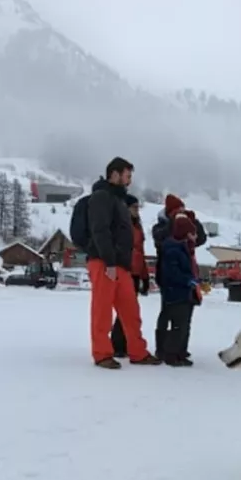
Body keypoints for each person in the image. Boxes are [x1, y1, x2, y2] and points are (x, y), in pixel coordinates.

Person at [85, 158, 159, 369]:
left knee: (131, 311)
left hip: (120, 265)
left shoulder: (118, 199)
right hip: (104, 262)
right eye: (127, 175)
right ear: (115, 174)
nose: (129, 180)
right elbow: (100, 230)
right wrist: (108, 260)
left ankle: (138, 352)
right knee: (102, 311)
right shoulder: (101, 197)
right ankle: (102, 353)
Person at [152, 193, 206, 358]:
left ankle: (179, 347)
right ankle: (164, 348)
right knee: (168, 314)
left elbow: (201, 238)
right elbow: (160, 238)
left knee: (183, 315)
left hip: (186, 272)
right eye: (177, 210)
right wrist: (176, 224)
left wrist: (192, 221)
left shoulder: (187, 229)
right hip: (168, 275)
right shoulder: (161, 227)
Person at [109, 195, 151, 360]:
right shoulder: (122, 225)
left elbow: (140, 252)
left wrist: (145, 276)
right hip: (124, 269)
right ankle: (118, 344)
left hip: (135, 271)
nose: (136, 210)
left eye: (137, 207)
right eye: (133, 207)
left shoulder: (137, 226)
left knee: (130, 311)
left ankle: (125, 342)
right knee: (124, 310)